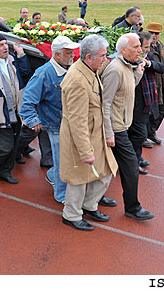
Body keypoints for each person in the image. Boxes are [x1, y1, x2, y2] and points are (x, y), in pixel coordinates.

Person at [60, 35, 118, 231]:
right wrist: (86, 151)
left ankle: (89, 205)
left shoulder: (90, 69)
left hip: (95, 133)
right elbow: (77, 121)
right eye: (102, 55)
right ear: (88, 57)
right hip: (81, 138)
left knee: (107, 171)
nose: (106, 59)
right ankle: (72, 215)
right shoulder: (77, 80)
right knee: (77, 179)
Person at [101, 33, 154, 221]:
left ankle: (95, 198)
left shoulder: (126, 67)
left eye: (140, 46)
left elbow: (128, 88)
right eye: (136, 47)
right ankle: (133, 207)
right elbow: (105, 103)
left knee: (108, 166)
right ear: (123, 50)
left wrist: (138, 72)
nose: (140, 50)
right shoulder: (115, 70)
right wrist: (109, 133)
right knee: (131, 166)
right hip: (115, 128)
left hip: (123, 124)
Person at [19, 36, 78, 204]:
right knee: (62, 160)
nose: (72, 55)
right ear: (57, 55)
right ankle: (61, 196)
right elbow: (28, 101)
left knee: (69, 159)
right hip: (55, 126)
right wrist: (33, 120)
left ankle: (52, 175)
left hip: (70, 124)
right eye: (68, 53)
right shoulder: (43, 74)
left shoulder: (70, 68)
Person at [0, 32, 31, 185]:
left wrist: (21, 55)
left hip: (16, 111)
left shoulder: (12, 60)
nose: (5, 47)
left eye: (5, 44)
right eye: (1, 45)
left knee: (15, 146)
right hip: (0, 112)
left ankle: (4, 172)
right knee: (4, 147)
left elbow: (26, 72)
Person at [128, 31, 164, 175]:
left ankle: (137, 158)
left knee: (141, 132)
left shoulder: (148, 57)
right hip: (135, 104)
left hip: (148, 101)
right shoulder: (130, 60)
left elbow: (162, 68)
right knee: (139, 134)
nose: (148, 50)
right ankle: (132, 161)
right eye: (145, 47)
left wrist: (148, 63)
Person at [146, 22, 164, 145]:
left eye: (156, 33)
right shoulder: (145, 47)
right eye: (151, 33)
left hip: (161, 84)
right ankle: (144, 136)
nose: (154, 35)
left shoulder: (160, 45)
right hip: (150, 84)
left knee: (162, 108)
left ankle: (152, 132)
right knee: (148, 112)